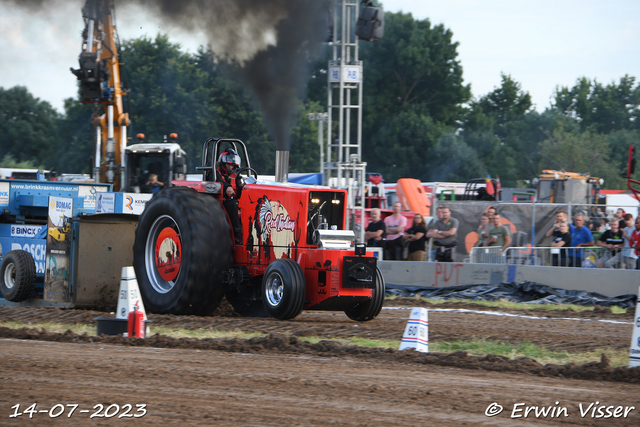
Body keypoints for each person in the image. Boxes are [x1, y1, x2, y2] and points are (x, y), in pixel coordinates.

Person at [216, 148, 243, 244]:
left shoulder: (236, 176)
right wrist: (227, 187)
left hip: (235, 200)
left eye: (232, 164)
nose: (230, 167)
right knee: (233, 204)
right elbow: (219, 181)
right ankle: (237, 234)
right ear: (223, 162)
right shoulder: (215, 173)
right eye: (229, 164)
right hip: (219, 203)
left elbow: (239, 189)